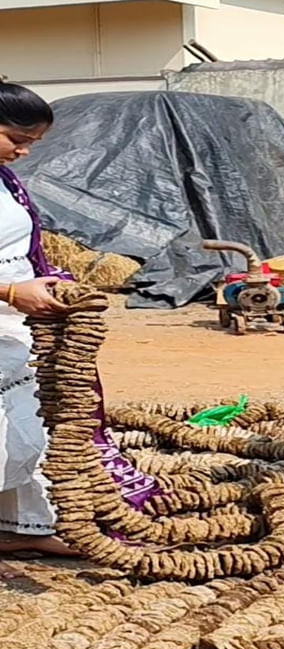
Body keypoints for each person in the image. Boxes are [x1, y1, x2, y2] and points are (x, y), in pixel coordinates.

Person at [0, 82, 158, 562]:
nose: (24, 152)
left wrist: (46, 285)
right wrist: (8, 291)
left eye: (34, 144)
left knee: (35, 422)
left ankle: (23, 527)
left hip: (14, 322)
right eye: (16, 138)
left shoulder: (4, 178)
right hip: (9, 307)